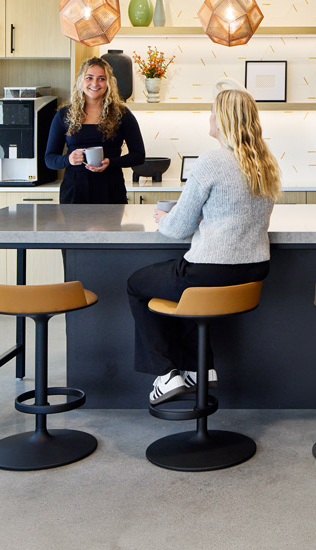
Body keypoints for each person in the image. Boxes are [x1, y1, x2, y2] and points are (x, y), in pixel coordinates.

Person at [128, 80, 279, 405]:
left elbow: (178, 228)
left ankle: (166, 376)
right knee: (186, 294)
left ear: (223, 118)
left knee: (138, 285)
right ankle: (199, 368)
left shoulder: (211, 162)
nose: (209, 116)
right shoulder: (265, 164)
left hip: (211, 272)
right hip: (253, 272)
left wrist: (162, 219)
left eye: (212, 111)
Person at [44, 57, 146, 205]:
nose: (95, 83)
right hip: (74, 191)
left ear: (109, 83)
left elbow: (139, 156)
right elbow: (49, 159)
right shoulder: (64, 115)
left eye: (101, 79)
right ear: (81, 81)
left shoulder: (122, 114)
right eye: (89, 78)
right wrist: (68, 159)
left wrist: (111, 162)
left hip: (111, 189)